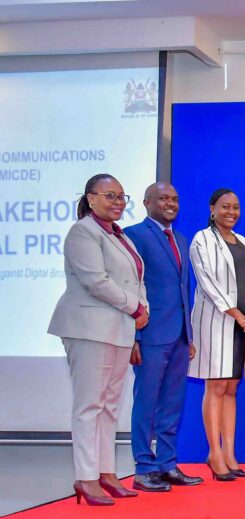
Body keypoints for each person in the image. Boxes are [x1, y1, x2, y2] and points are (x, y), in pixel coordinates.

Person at [48, 173, 148, 505]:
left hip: (119, 329)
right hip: (88, 329)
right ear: (91, 199)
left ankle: (107, 472)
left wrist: (142, 307)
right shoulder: (83, 232)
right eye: (110, 196)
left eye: (121, 197)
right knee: (89, 405)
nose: (118, 202)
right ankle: (86, 476)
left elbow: (136, 280)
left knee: (109, 406)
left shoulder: (120, 235)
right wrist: (136, 308)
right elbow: (96, 281)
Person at [123, 183, 203, 491]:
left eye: (174, 199)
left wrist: (189, 335)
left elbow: (183, 290)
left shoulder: (180, 239)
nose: (170, 203)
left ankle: (167, 464)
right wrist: (134, 336)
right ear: (147, 203)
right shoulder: (134, 235)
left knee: (172, 403)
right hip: (150, 333)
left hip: (179, 335)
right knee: (146, 402)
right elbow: (131, 286)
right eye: (163, 199)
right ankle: (144, 467)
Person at [188, 188, 245, 482]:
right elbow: (207, 282)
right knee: (216, 385)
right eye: (225, 207)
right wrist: (236, 313)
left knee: (232, 387)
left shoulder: (244, 242)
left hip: (244, 325)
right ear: (212, 209)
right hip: (217, 321)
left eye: (235, 207)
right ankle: (214, 453)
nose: (231, 212)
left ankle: (230, 454)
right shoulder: (202, 239)